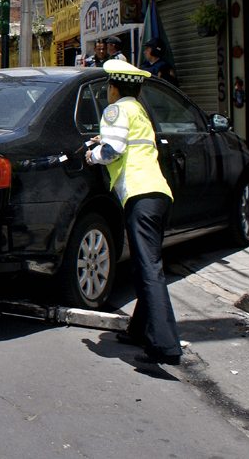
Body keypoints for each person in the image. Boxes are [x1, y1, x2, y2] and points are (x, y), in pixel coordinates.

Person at [85, 59, 183, 366]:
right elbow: (130, 143)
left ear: (113, 88)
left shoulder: (115, 110)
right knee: (146, 264)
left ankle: (165, 345)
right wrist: (107, 140)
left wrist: (92, 154)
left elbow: (112, 151)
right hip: (159, 195)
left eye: (108, 88)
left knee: (149, 268)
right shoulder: (138, 110)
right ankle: (139, 330)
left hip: (139, 195)